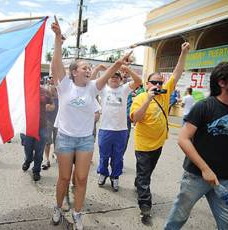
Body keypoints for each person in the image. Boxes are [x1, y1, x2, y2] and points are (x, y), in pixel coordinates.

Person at [50, 16, 133, 230]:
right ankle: (58, 207)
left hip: (85, 140)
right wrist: (58, 40)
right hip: (65, 139)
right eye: (85, 67)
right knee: (64, 177)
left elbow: (107, 73)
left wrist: (120, 61)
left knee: (82, 178)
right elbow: (56, 63)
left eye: (90, 68)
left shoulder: (93, 87)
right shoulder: (65, 85)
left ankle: (77, 214)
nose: (89, 70)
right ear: (74, 71)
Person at [129, 41, 190, 226]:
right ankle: (145, 206)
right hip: (143, 145)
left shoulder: (165, 94)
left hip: (158, 143)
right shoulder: (141, 97)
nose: (157, 85)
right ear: (147, 83)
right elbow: (135, 118)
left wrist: (183, 53)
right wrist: (148, 98)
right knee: (145, 176)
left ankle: (139, 183)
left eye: (160, 82)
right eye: (154, 82)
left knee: (146, 173)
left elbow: (177, 72)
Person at [164, 62, 228, 229]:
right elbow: (183, 139)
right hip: (196, 176)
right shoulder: (204, 106)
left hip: (225, 180)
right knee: (178, 218)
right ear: (222, 82)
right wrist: (205, 169)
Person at [97, 64, 142, 192]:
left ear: (121, 79)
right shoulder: (103, 89)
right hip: (105, 129)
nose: (114, 78)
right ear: (108, 79)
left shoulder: (124, 89)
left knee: (118, 157)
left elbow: (139, 81)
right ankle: (103, 173)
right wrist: (98, 69)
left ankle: (115, 176)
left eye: (117, 77)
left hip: (121, 130)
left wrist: (128, 70)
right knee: (103, 155)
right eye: (111, 76)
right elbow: (92, 82)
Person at [20, 81, 53, 181]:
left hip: (42, 126)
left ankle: (36, 171)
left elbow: (52, 105)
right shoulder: (23, 90)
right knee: (28, 149)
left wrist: (49, 107)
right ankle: (28, 160)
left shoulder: (45, 91)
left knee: (39, 151)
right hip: (27, 126)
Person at [42, 76, 59, 170]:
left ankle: (55, 154)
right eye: (50, 78)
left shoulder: (60, 90)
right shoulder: (45, 90)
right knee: (47, 141)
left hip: (58, 120)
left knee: (57, 140)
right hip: (48, 120)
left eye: (53, 78)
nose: (51, 79)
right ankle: (46, 159)